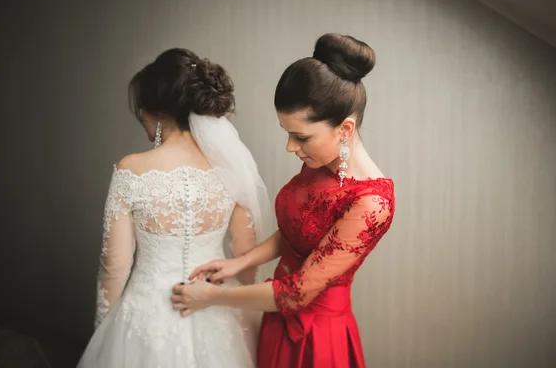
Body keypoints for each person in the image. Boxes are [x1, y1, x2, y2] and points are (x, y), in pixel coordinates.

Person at [171, 33, 396, 368]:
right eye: (287, 133)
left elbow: (294, 293)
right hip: (276, 315)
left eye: (301, 137)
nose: (290, 147)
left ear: (345, 130)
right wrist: (240, 262)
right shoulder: (320, 161)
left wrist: (213, 298)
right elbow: (298, 232)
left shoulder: (371, 203)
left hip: (316, 339)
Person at [77, 48, 272, 368]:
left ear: (154, 111)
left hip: (146, 316)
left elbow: (115, 265)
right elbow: (246, 256)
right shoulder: (231, 169)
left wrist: (103, 332)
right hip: (219, 307)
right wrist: (244, 311)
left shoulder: (131, 169)